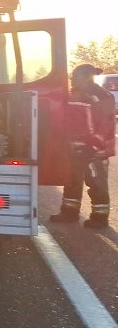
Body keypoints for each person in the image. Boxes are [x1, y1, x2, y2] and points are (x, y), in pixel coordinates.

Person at [50, 64, 114, 229]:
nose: (71, 79)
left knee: (97, 183)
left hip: (94, 151)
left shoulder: (101, 96)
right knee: (72, 181)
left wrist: (93, 146)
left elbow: (106, 124)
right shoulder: (73, 95)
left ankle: (100, 218)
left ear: (85, 77)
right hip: (75, 149)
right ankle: (69, 213)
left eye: (74, 76)